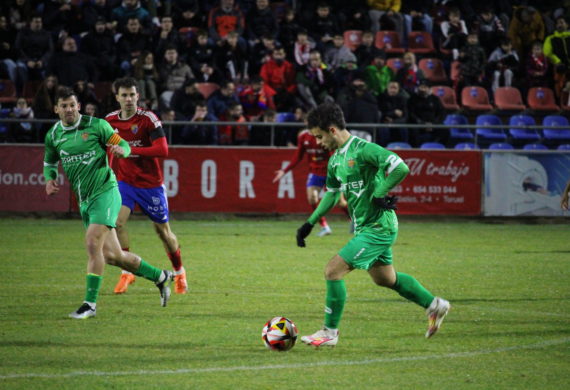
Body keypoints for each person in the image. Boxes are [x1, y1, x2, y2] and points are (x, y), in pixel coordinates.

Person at [295, 102, 450, 346]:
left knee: (333, 271)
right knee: (385, 279)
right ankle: (435, 305)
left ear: (332, 130)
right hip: (367, 227)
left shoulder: (363, 149)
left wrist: (380, 192)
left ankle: (329, 333)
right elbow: (333, 194)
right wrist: (309, 223)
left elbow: (401, 167)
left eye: (319, 136)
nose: (317, 142)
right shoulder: (335, 160)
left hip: (379, 227)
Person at [43, 87, 174, 319]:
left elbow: (122, 144)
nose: (69, 109)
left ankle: (89, 305)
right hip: (85, 201)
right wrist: (50, 180)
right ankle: (160, 277)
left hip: (106, 192)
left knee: (93, 243)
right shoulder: (53, 135)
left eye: (72, 105)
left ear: (79, 106)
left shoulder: (97, 126)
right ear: (56, 109)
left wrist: (122, 151)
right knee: (114, 256)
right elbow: (50, 162)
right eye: (64, 106)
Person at [105, 77, 188, 295]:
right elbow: (108, 151)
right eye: (124, 95)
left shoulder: (148, 119)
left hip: (151, 185)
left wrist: (130, 151)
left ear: (137, 96)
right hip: (125, 183)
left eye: (132, 94)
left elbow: (163, 150)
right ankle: (127, 272)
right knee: (117, 223)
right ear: (117, 98)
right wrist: (106, 173)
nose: (129, 99)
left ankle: (179, 272)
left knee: (163, 232)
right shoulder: (110, 121)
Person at [272, 127, 334, 237]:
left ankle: (354, 221)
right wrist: (284, 170)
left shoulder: (325, 135)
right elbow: (297, 157)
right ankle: (324, 226)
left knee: (340, 202)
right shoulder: (303, 137)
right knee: (312, 198)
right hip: (315, 172)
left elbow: (334, 155)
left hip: (330, 172)